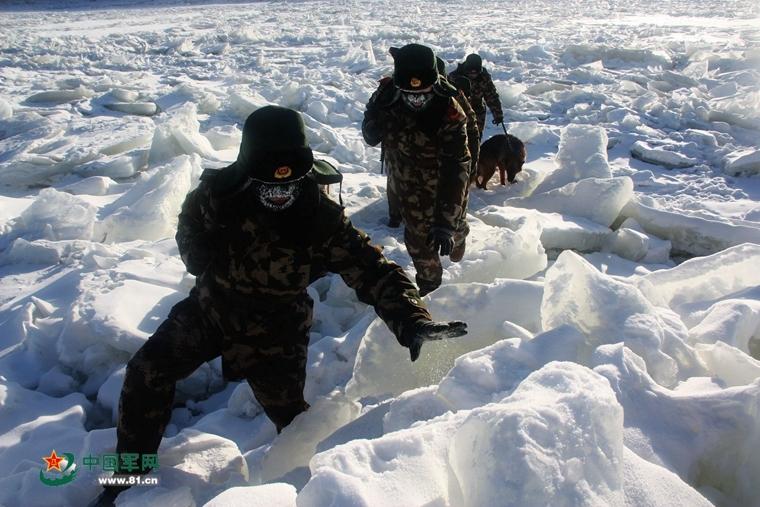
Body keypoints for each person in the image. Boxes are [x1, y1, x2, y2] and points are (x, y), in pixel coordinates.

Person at [90, 105, 467, 507]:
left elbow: (372, 268)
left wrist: (411, 318)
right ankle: (129, 476)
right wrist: (195, 254)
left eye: (288, 185)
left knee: (293, 423)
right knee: (146, 373)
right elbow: (189, 221)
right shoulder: (219, 195)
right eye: (269, 186)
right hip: (211, 309)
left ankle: (314, 491)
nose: (280, 193)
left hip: (277, 329)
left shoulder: (318, 215)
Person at [362, 44, 471, 296]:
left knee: (452, 228)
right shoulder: (387, 96)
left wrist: (445, 222)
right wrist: (374, 119)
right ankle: (430, 289)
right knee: (418, 241)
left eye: (423, 93)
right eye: (410, 93)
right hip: (407, 185)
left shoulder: (449, 110)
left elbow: (456, 166)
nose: (417, 99)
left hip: (443, 183)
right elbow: (370, 132)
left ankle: (459, 232)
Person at [449, 53, 503, 140]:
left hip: (477, 110)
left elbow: (491, 96)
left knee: (475, 137)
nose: (473, 75)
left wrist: (498, 114)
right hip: (458, 111)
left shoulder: (484, 78)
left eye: (475, 73)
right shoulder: (454, 77)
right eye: (470, 73)